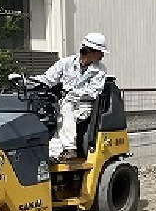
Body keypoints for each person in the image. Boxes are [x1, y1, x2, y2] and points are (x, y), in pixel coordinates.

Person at [32, 32, 109, 161]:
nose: (102, 55)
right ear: (90, 51)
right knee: (56, 123)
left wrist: (75, 95)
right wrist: (28, 82)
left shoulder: (100, 70)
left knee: (66, 107)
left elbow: (94, 91)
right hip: (64, 104)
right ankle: (51, 155)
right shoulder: (65, 63)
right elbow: (47, 78)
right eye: (101, 52)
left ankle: (70, 148)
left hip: (84, 105)